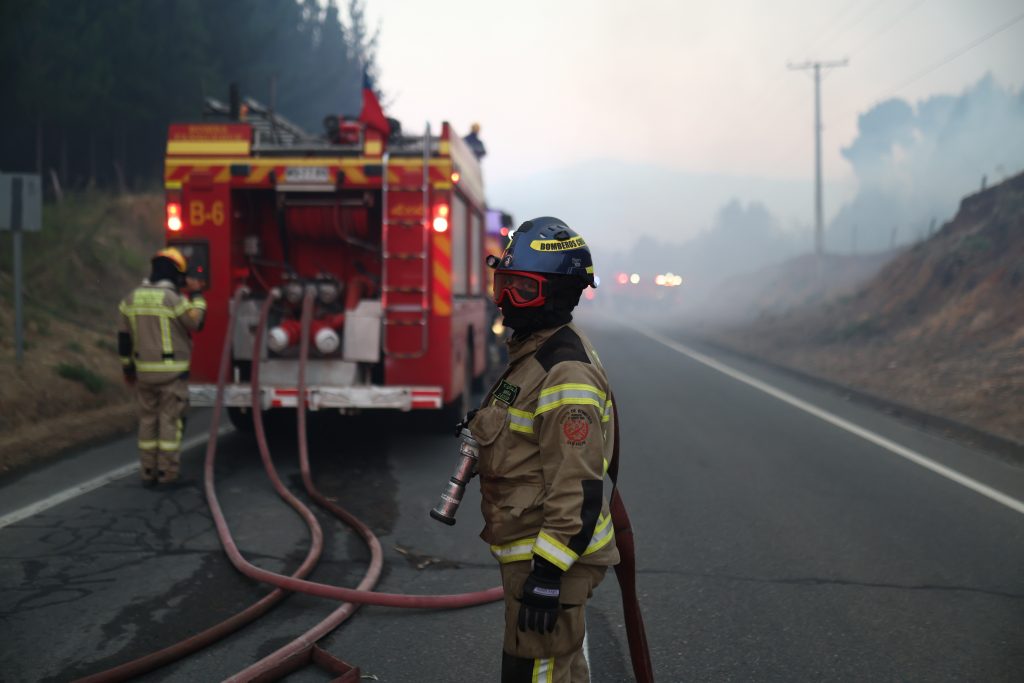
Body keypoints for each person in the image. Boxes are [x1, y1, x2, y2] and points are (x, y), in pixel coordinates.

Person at [468, 217, 618, 682]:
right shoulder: (533, 353)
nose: (507, 300)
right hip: (530, 550)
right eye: (503, 285)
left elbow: (578, 486)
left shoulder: (565, 373)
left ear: (558, 293)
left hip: (552, 556)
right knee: (547, 668)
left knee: (539, 673)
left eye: (522, 289)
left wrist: (548, 576)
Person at [117, 247, 206, 485]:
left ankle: (148, 471)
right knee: (169, 421)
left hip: (144, 374)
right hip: (171, 374)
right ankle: (167, 473)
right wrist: (196, 295)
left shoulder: (130, 298)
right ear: (175, 274)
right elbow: (195, 322)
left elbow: (124, 341)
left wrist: (128, 371)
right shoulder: (172, 299)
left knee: (147, 421)